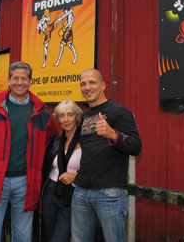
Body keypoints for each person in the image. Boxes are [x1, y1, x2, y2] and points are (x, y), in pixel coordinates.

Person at [0, 61, 59, 242]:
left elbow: (52, 140)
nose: (20, 82)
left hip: (26, 181)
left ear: (30, 81)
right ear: (9, 81)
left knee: (23, 236)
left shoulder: (41, 113)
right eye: (16, 78)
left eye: (24, 79)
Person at [71, 68, 142, 242]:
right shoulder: (86, 115)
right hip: (81, 192)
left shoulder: (119, 112)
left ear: (103, 85)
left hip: (109, 192)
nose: (87, 87)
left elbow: (135, 146)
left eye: (92, 82)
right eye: (83, 84)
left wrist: (113, 135)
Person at [42, 99, 83, 242]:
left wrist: (76, 175)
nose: (66, 120)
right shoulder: (55, 141)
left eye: (70, 115)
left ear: (77, 117)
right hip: (51, 191)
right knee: (49, 235)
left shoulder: (86, 141)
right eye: (62, 116)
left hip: (73, 194)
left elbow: (94, 167)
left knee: (59, 238)